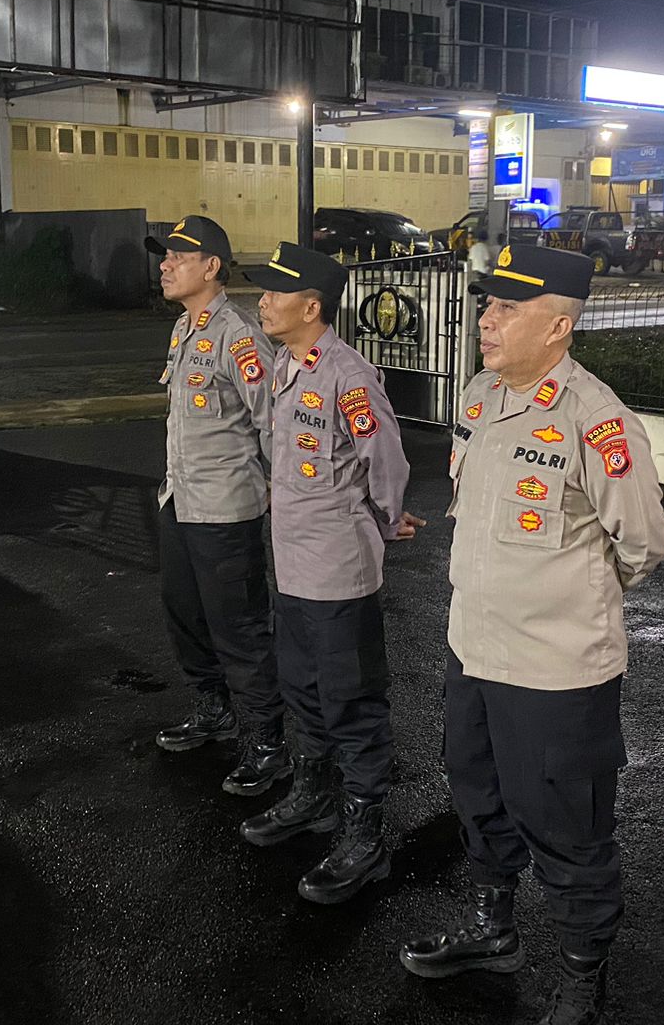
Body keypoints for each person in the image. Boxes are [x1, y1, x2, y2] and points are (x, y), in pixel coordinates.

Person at [398, 244, 664, 1025]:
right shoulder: (481, 395)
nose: (487, 319)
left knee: (567, 828)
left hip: (557, 670)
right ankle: (494, 931)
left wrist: (570, 599)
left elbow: (644, 543)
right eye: (488, 304)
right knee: (478, 796)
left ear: (558, 327)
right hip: (474, 649)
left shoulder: (596, 420)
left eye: (507, 308)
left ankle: (583, 975)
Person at [239, 241, 423, 904]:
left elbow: (386, 461)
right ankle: (314, 796)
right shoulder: (287, 365)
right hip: (291, 564)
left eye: (274, 292)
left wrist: (386, 519)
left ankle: (365, 833)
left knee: (352, 699)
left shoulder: (348, 374)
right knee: (302, 686)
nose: (263, 301)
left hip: (338, 570)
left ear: (311, 306)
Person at [145, 215, 290, 799]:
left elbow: (274, 422)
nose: (165, 265)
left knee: (241, 629)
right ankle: (213, 710)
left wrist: (280, 494)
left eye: (178, 257)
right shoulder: (185, 328)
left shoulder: (239, 335)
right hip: (181, 498)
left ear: (211, 267)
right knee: (185, 614)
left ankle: (267, 743)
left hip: (226, 510)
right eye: (165, 256)